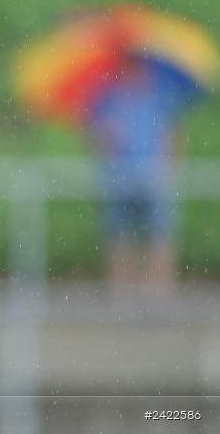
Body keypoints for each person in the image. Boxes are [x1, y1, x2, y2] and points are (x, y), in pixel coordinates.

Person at [89, 58, 181, 295]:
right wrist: (107, 136)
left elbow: (171, 136)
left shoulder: (159, 98)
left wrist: (168, 170)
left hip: (154, 178)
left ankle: (158, 291)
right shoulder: (109, 100)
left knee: (160, 235)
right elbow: (98, 140)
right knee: (119, 236)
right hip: (119, 178)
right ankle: (122, 292)